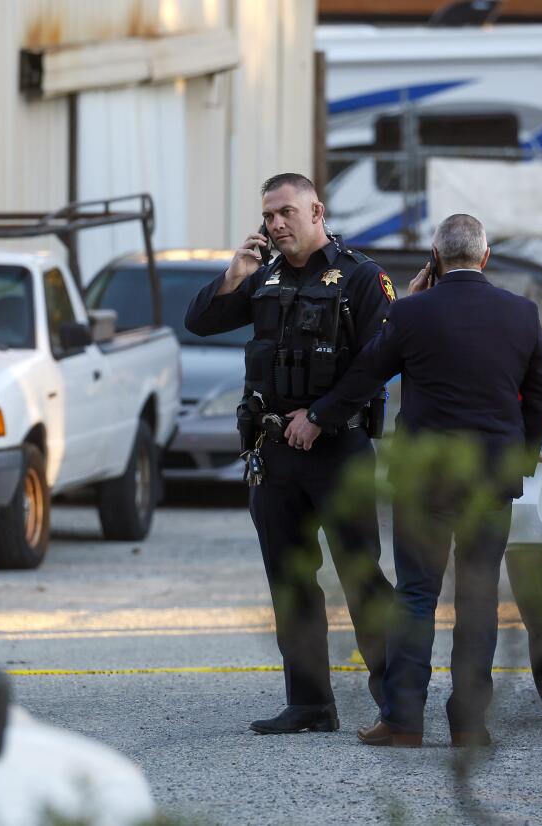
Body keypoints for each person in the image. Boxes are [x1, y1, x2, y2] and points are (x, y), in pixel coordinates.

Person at [285, 214, 542, 747]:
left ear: (434, 258)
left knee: (415, 596)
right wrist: (517, 458)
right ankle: (470, 725)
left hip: (424, 482)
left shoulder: (411, 313)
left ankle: (404, 719)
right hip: (489, 481)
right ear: (486, 258)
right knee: (478, 599)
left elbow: (364, 376)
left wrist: (316, 417)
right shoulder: (522, 314)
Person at [185, 173, 396, 734]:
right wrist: (233, 275)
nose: (276, 224)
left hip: (338, 450)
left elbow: (378, 361)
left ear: (316, 210)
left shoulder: (361, 276)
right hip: (274, 452)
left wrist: (320, 416)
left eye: (286, 213)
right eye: (269, 215)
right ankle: (309, 704)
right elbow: (199, 322)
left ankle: (397, 700)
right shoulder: (263, 276)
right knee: (289, 577)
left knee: (360, 574)